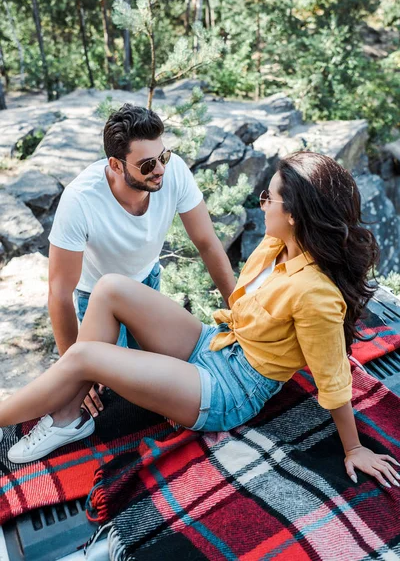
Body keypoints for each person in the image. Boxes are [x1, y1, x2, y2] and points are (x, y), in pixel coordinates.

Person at [1, 151, 399, 488]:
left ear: (294, 214)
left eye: (269, 198)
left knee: (82, 357)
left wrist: (354, 447)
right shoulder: (278, 243)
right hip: (217, 343)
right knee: (108, 288)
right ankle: (68, 418)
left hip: (229, 389)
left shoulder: (316, 294)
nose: (262, 203)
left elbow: (333, 379)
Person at [46, 103, 235, 418]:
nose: (160, 168)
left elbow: (207, 243)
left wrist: (238, 307)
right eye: (147, 164)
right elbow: (59, 293)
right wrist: (72, 369)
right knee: (103, 399)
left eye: (163, 156)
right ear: (116, 165)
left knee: (159, 385)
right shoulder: (80, 201)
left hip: (148, 285)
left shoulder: (173, 172)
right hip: (97, 302)